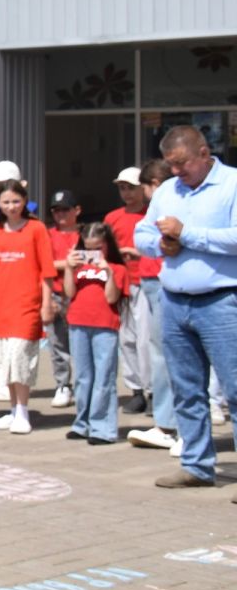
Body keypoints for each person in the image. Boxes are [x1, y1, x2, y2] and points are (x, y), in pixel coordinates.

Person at [136, 125, 237, 495]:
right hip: (175, 300)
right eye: (171, 165)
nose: (176, 172)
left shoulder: (232, 185)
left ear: (204, 152)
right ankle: (196, 465)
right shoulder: (166, 190)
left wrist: (186, 234)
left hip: (222, 300)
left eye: (182, 164)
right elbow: (141, 235)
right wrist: (163, 244)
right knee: (186, 390)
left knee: (235, 389)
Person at [0, 181, 55, 434]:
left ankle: (23, 410)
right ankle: (12, 410)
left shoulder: (37, 229)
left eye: (16, 201)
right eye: (6, 202)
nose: (11, 207)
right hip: (0, 306)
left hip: (27, 304)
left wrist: (47, 303)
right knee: (4, 361)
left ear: (25, 201)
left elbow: (47, 270)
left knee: (21, 359)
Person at [123, 160, 180, 451]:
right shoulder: (159, 208)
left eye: (144, 188)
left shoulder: (173, 204)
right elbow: (142, 236)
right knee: (158, 352)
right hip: (151, 281)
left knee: (171, 355)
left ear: (154, 185)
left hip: (164, 283)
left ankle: (175, 427)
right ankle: (167, 424)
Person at [62, 222, 126, 445]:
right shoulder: (79, 267)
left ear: (107, 244)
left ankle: (103, 428)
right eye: (88, 248)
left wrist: (108, 271)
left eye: (97, 247)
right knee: (82, 376)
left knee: (104, 377)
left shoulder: (117, 268)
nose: (92, 253)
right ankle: (82, 423)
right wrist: (69, 268)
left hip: (105, 325)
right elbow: (69, 292)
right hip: (78, 322)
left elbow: (111, 298)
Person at [107, 166, 156, 415]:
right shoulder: (113, 218)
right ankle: (136, 389)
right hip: (122, 283)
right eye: (122, 188)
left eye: (131, 188)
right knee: (126, 339)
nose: (127, 193)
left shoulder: (151, 215)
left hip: (145, 281)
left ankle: (152, 391)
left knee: (146, 339)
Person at [43, 190, 82, 408]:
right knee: (57, 343)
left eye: (65, 209)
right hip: (56, 292)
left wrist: (66, 263)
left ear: (77, 210)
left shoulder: (84, 234)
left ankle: (82, 384)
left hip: (80, 294)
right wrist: (67, 263)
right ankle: (62, 384)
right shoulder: (48, 235)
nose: (60, 214)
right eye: (56, 210)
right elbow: (45, 264)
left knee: (80, 342)